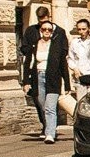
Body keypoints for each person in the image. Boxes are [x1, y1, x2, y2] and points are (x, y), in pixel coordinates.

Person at [27, 12, 70, 144]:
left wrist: (67, 85)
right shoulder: (35, 45)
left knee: (51, 107)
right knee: (43, 106)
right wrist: (26, 81)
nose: (46, 32)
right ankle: (48, 128)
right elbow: (27, 63)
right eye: (44, 29)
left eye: (49, 30)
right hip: (38, 78)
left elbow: (63, 66)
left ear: (52, 32)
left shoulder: (57, 46)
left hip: (53, 79)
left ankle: (50, 134)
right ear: (40, 31)